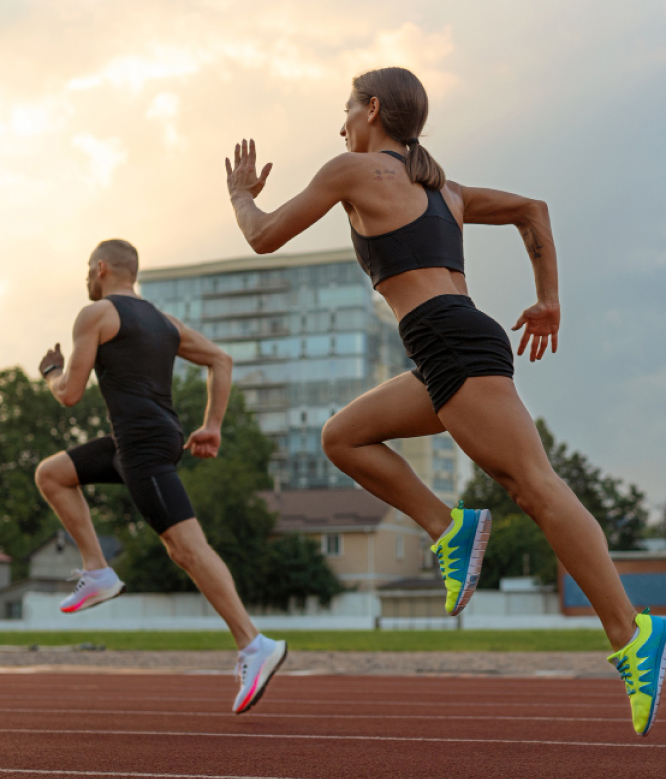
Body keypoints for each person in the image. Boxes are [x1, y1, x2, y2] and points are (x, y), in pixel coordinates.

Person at [225, 67, 666, 736]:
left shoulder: (352, 169)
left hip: (450, 341)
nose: (340, 122)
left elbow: (262, 235)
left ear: (372, 110)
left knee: (536, 486)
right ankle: (448, 527)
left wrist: (239, 195)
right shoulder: (444, 189)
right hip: (445, 346)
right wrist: (548, 297)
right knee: (343, 436)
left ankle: (632, 634)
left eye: (347, 108)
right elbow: (532, 210)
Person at [35, 238, 286, 714]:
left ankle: (255, 645)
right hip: (142, 440)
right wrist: (211, 425)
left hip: (143, 446)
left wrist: (50, 372)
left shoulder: (95, 315)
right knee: (51, 474)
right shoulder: (164, 322)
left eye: (89, 269)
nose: (87, 278)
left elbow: (69, 393)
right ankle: (98, 571)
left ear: (103, 267)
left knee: (187, 548)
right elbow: (221, 359)